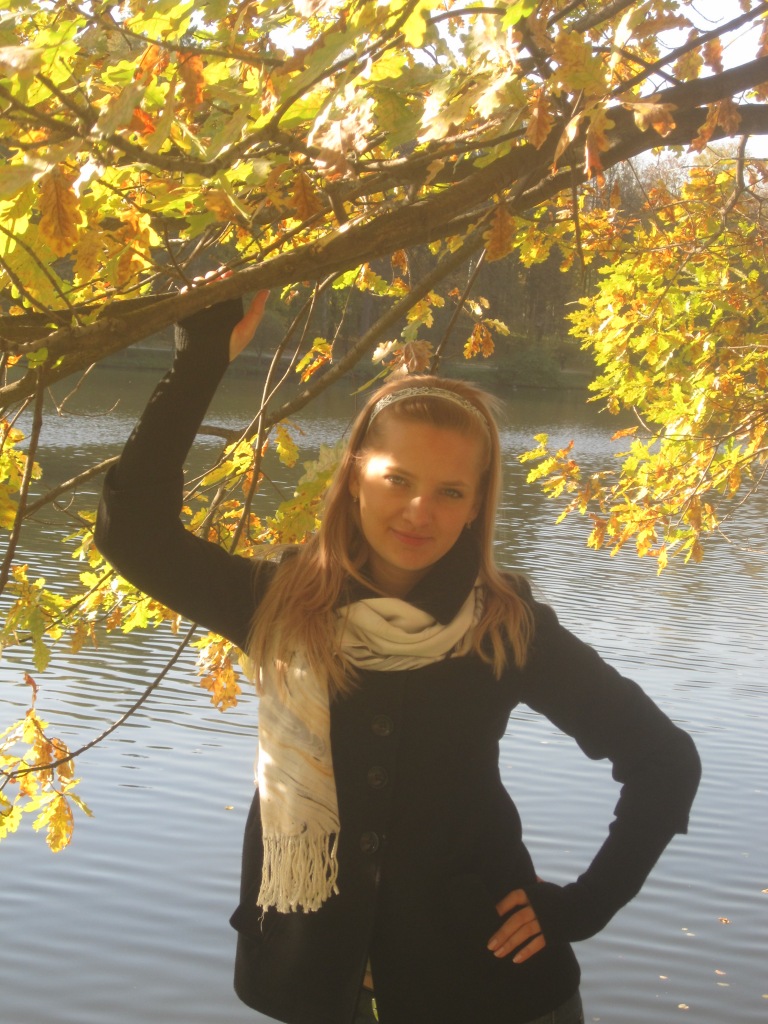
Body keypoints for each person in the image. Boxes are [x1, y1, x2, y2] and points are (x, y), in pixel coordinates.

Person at [95, 295, 701, 1024]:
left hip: (493, 992)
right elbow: (133, 531)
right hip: (315, 988)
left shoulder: (506, 628)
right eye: (398, 479)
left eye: (450, 492)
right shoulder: (277, 605)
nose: (420, 511)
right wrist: (200, 357)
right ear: (355, 475)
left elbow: (664, 760)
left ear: (475, 505)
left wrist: (581, 907)